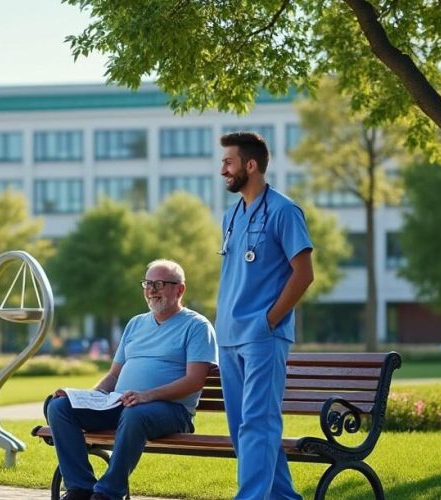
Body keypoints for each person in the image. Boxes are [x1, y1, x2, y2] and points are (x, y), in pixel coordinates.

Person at [47, 259, 217, 500]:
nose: (151, 290)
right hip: (122, 403)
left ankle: (108, 493)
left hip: (170, 411)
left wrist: (146, 396)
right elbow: (115, 374)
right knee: (59, 406)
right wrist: (88, 396)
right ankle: (80, 488)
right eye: (147, 283)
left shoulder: (197, 326)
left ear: (179, 289)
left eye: (159, 284)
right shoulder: (136, 324)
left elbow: (194, 381)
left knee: (135, 413)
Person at [216, 131, 314, 500]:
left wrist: (269, 320)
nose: (222, 168)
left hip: (261, 336)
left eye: (229, 162)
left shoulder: (284, 211)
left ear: (250, 165)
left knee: (259, 424)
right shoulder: (231, 215)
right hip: (228, 337)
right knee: (243, 427)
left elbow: (303, 274)